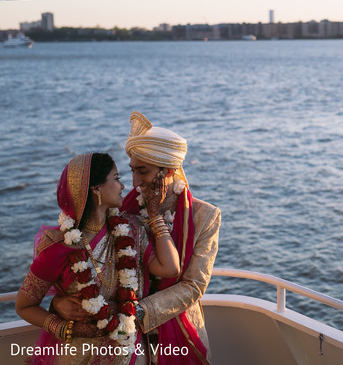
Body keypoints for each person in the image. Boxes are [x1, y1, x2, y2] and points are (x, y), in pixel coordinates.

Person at [54, 113, 221, 364]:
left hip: (177, 329)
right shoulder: (119, 209)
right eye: (131, 171)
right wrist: (58, 302)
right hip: (120, 335)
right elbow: (91, 260)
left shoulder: (205, 216)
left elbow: (194, 286)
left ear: (169, 170)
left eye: (142, 171)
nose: (134, 182)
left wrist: (135, 311)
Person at [15, 153, 181, 364]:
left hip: (126, 351)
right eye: (116, 178)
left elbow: (170, 268)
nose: (123, 186)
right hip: (77, 354)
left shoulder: (131, 231)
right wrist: (64, 327)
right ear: (96, 189)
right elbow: (24, 305)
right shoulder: (58, 246)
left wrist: (155, 215)